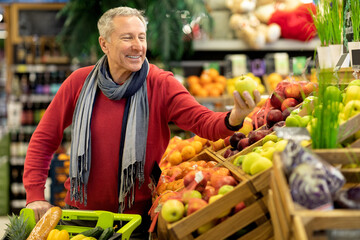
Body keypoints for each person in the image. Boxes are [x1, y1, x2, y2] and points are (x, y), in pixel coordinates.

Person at [23, 6, 260, 239]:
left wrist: (235, 116)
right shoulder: (79, 83)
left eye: (142, 37)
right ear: (104, 44)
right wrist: (35, 195)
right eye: (127, 38)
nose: (138, 45)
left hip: (137, 221)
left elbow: (202, 121)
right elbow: (44, 139)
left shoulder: (161, 84)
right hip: (82, 218)